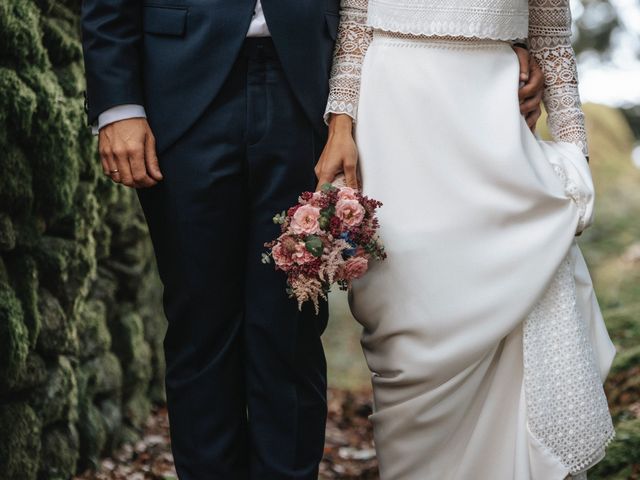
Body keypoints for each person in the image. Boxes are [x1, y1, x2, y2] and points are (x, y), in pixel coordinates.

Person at [80, 0, 543, 478]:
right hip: (177, 92)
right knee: (200, 324)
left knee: (291, 325)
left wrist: (497, 38)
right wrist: (118, 105)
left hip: (311, 94)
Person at [317, 0, 616, 479]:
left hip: (495, 139)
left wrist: (575, 159)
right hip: (395, 130)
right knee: (409, 334)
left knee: (516, 321)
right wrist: (340, 123)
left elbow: (553, 45)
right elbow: (353, 28)